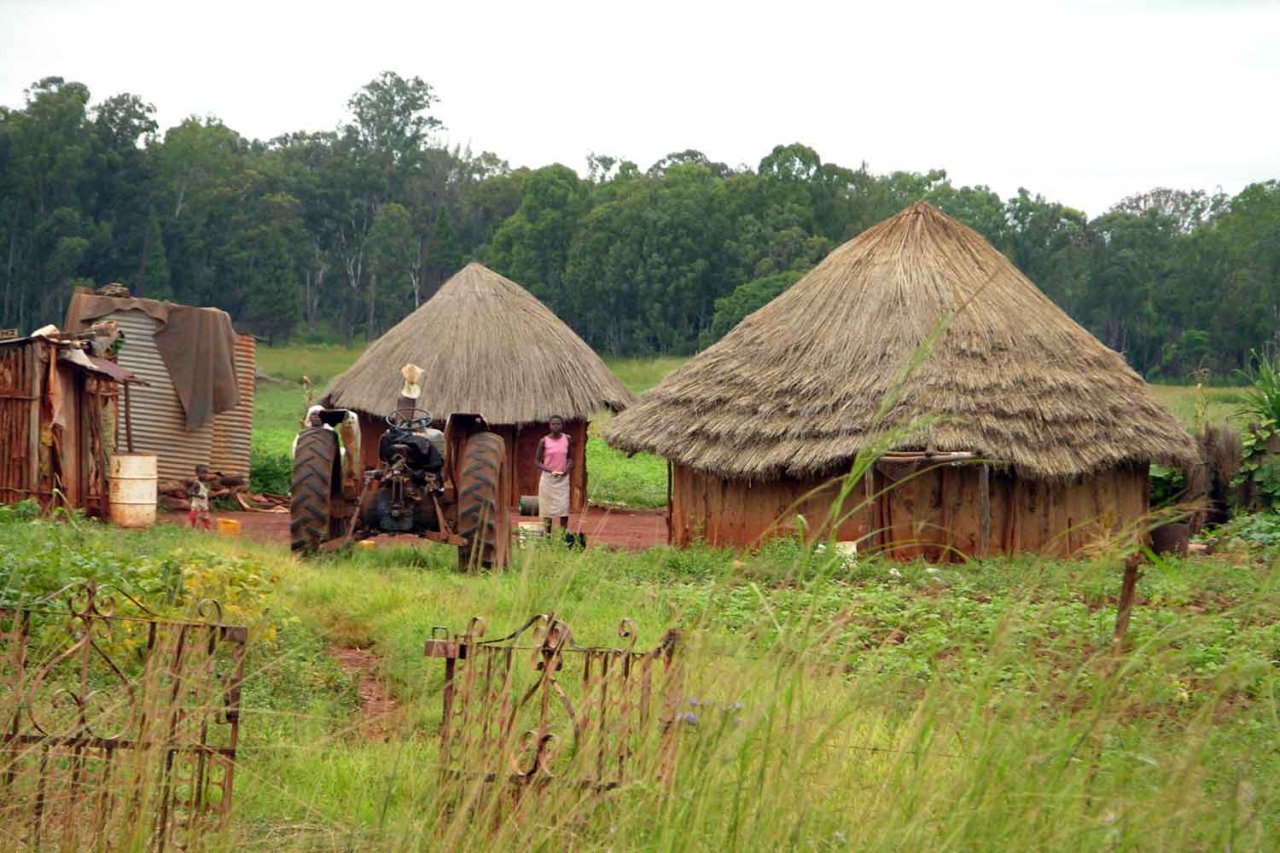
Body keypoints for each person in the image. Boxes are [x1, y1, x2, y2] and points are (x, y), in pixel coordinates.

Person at [535, 416, 572, 534]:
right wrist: (550, 470)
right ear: (549, 426)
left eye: (558, 424)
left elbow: (570, 458)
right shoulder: (543, 441)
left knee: (564, 508)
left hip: (563, 478)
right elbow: (537, 461)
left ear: (562, 425)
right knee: (547, 509)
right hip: (548, 479)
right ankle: (548, 536)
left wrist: (566, 469)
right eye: (553, 424)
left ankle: (563, 536)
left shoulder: (567, 439)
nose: (556, 426)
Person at [188, 464, 212, 530]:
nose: (204, 475)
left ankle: (206, 531)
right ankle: (193, 530)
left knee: (206, 519)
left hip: (204, 505)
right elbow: (189, 493)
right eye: (202, 473)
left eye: (206, 473)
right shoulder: (197, 484)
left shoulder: (206, 484)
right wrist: (198, 496)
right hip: (196, 506)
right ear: (197, 474)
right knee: (194, 518)